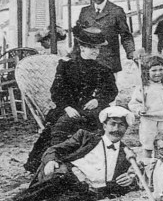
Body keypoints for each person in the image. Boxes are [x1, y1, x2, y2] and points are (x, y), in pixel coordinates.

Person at [2, 107, 138, 201]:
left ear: (126, 129)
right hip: (67, 174)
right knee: (59, 179)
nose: (116, 129)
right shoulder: (85, 137)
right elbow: (54, 149)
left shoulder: (126, 153)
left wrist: (131, 180)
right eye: (113, 124)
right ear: (104, 126)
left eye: (121, 125)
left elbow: (135, 179)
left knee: (67, 199)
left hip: (88, 189)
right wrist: (51, 161)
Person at [24, 26, 118, 172]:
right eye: (91, 47)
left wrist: (98, 100)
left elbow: (111, 91)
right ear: (82, 47)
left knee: (100, 125)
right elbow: (56, 91)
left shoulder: (104, 70)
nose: (95, 51)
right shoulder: (66, 67)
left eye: (97, 48)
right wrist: (67, 107)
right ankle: (54, 160)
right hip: (69, 108)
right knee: (62, 124)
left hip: (93, 110)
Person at [75, 0, 135, 74]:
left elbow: (126, 36)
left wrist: (131, 52)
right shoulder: (84, 11)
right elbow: (79, 36)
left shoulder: (116, 11)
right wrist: (74, 56)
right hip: (87, 62)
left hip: (108, 63)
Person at [128, 55, 163, 159]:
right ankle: (147, 167)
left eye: (161, 70)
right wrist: (139, 110)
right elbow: (133, 104)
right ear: (147, 72)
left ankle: (159, 167)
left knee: (161, 145)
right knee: (148, 146)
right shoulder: (143, 88)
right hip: (148, 122)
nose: (158, 73)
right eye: (154, 70)